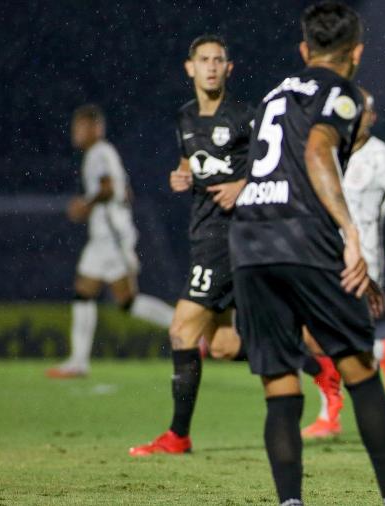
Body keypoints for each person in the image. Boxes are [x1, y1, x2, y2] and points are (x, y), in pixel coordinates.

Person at [229, 3, 385, 505]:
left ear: (305, 50)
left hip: (249, 239)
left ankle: (290, 503)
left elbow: (262, 168)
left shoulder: (272, 95)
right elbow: (317, 150)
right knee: (357, 369)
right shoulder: (343, 93)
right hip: (302, 237)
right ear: (356, 54)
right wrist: (350, 232)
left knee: (280, 387)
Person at [129, 35, 252, 457]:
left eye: (220, 59)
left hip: (228, 236)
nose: (212, 66)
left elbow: (278, 170)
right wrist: (178, 177)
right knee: (223, 346)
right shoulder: (184, 118)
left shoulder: (244, 117)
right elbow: (189, 166)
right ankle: (317, 362)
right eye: (204, 60)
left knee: (182, 329)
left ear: (229, 68)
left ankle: (177, 436)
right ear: (190, 68)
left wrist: (243, 184)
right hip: (203, 232)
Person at [301, 87, 385, 439]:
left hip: (362, 265)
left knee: (316, 337)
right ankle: (382, 351)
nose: (363, 116)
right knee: (315, 339)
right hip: (322, 257)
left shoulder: (380, 157)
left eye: (369, 111)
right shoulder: (325, 148)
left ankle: (330, 415)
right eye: (357, 109)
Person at [46, 105, 174, 379]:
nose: (75, 133)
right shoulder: (105, 153)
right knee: (88, 293)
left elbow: (107, 189)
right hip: (108, 235)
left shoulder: (98, 153)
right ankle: (78, 361)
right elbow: (124, 192)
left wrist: (85, 204)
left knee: (124, 300)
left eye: (80, 127)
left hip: (110, 237)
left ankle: (183, 326)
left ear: (95, 128)